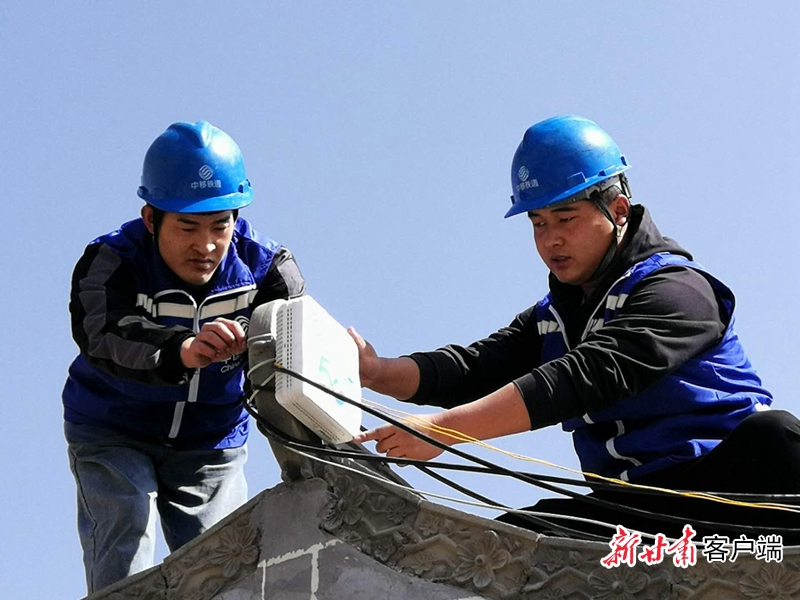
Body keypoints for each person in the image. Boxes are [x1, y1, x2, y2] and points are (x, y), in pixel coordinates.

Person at [351, 115, 800, 542]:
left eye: (565, 218)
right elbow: (474, 368)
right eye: (538, 223)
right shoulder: (555, 317)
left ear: (618, 210)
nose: (551, 239)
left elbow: (588, 374)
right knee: (505, 544)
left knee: (776, 436)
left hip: (735, 495)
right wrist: (375, 371)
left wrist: (444, 430)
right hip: (636, 513)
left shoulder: (679, 290)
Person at [63, 121, 305, 593]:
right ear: (151, 219)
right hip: (113, 430)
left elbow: (295, 358)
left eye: (220, 224)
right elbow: (101, 334)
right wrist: (181, 350)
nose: (206, 245)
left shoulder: (269, 269)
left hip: (212, 441)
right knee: (125, 545)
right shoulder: (110, 260)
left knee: (224, 567)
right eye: (188, 226)